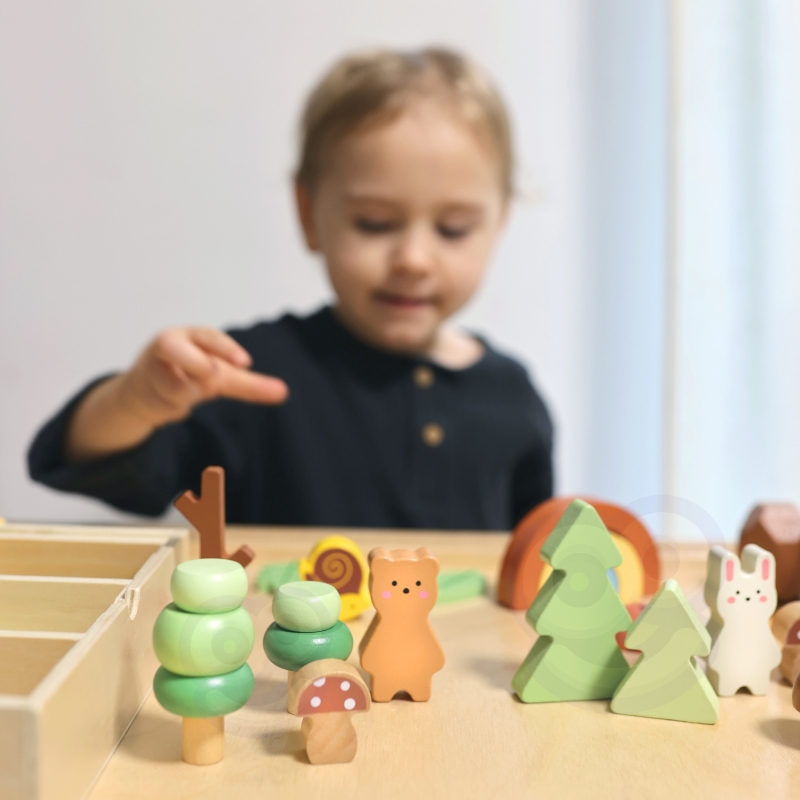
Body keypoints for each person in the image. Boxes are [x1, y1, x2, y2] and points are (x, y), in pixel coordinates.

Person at [28, 48, 553, 530]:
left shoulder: (513, 397)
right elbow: (98, 468)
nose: (413, 260)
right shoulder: (249, 372)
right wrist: (136, 402)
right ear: (307, 213)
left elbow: (534, 566)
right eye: (374, 223)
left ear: (499, 224)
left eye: (453, 229)